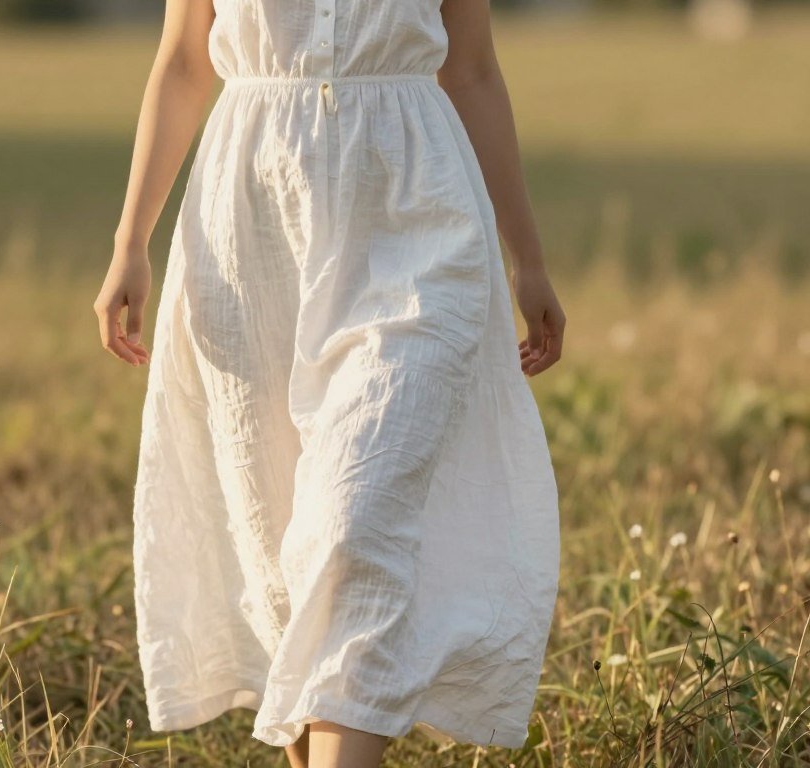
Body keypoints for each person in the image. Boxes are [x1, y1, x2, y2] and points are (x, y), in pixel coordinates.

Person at [92, 1, 566, 766]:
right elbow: (184, 62)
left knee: (356, 525)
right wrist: (130, 244)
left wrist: (528, 260)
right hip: (249, 222)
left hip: (416, 214)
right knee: (280, 547)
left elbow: (471, 68)